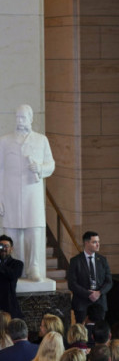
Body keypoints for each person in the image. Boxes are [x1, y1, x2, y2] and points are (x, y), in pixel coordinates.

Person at [0, 104, 55, 281]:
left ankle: (34, 266)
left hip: (32, 193)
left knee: (34, 230)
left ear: (31, 119)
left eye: (23, 118)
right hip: (11, 194)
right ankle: (15, 267)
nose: (19, 121)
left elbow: (51, 165)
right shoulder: (5, 141)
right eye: (17, 117)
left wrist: (39, 167)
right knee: (12, 231)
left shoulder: (41, 140)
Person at [67, 231, 113, 323]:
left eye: (98, 242)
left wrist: (98, 293)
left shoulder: (102, 260)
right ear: (86, 243)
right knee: (82, 331)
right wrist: (88, 294)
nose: (98, 245)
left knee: (99, 330)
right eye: (94, 242)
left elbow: (109, 281)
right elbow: (72, 284)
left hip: (99, 302)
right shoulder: (75, 261)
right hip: (82, 302)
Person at [0, 235, 23, 317]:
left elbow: (13, 275)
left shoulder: (17, 264)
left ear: (11, 249)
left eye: (6, 246)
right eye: (1, 246)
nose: (3, 248)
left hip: (9, 306)